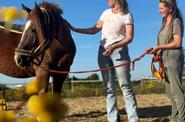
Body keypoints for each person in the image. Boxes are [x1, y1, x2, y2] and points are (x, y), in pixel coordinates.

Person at [67, 0, 139, 121]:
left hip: (119, 51)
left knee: (125, 85)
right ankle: (112, 118)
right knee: (108, 87)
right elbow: (94, 29)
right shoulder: (105, 13)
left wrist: (114, 46)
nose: (107, 1)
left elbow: (129, 37)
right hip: (103, 52)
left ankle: (133, 118)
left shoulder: (127, 15)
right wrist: (75, 29)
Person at [150, 0, 184, 121]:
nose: (159, 11)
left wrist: (159, 47)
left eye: (161, 8)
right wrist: (157, 51)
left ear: (170, 8)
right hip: (165, 60)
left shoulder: (176, 22)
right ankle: (174, 118)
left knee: (176, 92)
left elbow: (177, 42)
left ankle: (182, 118)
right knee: (170, 92)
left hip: (174, 60)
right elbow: (164, 42)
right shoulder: (164, 23)